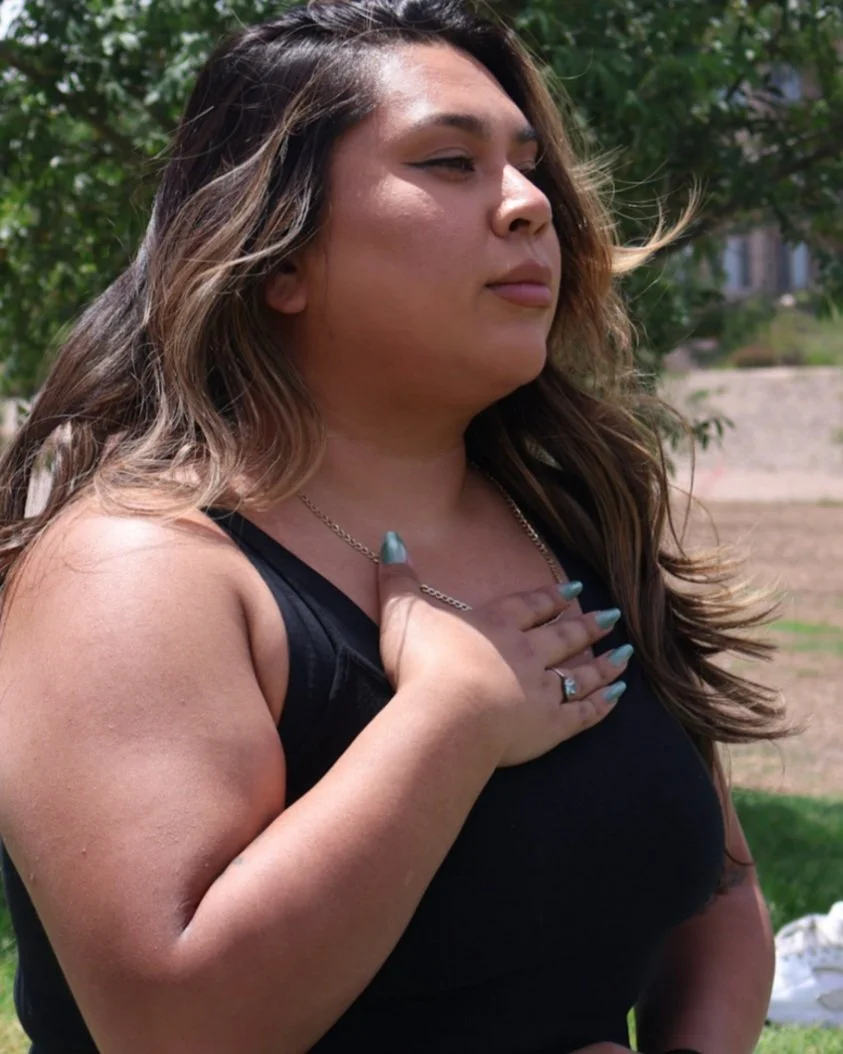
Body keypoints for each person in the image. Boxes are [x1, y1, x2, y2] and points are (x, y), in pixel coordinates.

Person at [0, 1, 786, 1051]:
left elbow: (718, 895)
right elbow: (171, 1023)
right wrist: (453, 719)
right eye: (450, 163)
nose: (527, 205)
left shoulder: (573, 525)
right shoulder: (137, 570)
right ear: (278, 255)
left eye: (528, 164)